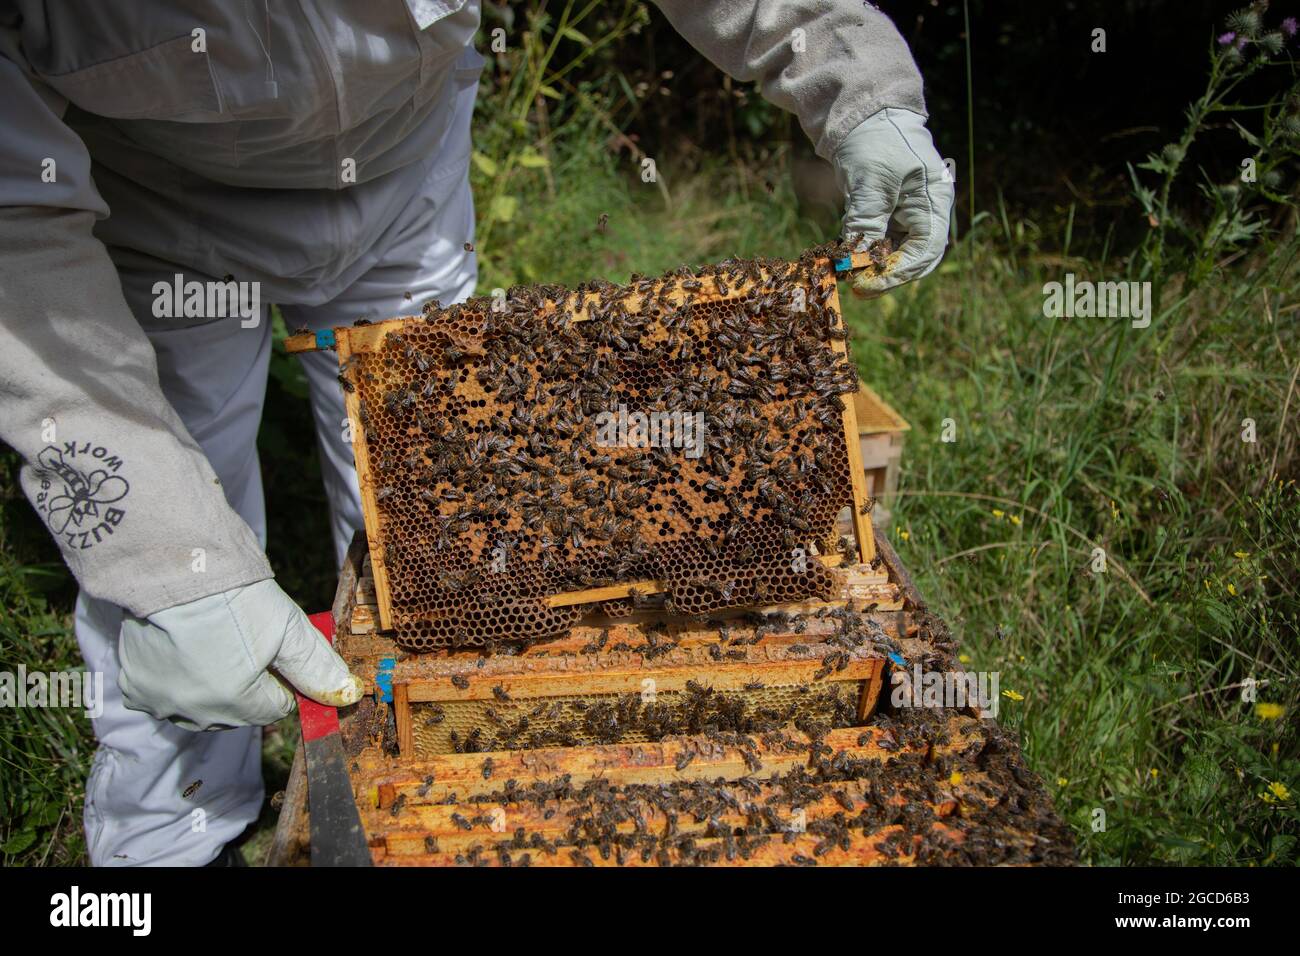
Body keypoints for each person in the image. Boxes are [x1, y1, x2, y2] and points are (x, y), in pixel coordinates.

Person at [0, 1, 953, 866]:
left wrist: (851, 73)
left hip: (401, 177)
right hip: (156, 209)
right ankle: (170, 838)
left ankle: (420, 761)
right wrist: (160, 554)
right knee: (184, 599)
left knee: (453, 553)